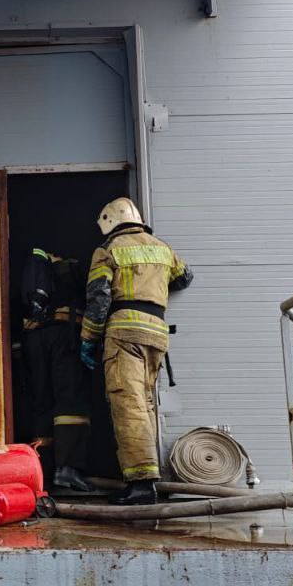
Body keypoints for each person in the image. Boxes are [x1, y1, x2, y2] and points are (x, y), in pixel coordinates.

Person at [78, 198, 193, 505]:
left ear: (109, 222)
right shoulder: (162, 248)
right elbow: (184, 278)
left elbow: (99, 299)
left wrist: (88, 338)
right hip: (156, 334)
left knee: (128, 405)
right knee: (145, 404)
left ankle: (141, 483)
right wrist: (152, 283)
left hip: (124, 335)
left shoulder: (107, 251)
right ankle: (151, 476)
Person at [20, 248, 95, 493]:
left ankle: (42, 469)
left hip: (34, 338)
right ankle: (68, 469)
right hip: (65, 334)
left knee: (41, 401)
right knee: (71, 402)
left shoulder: (32, 268)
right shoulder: (74, 268)